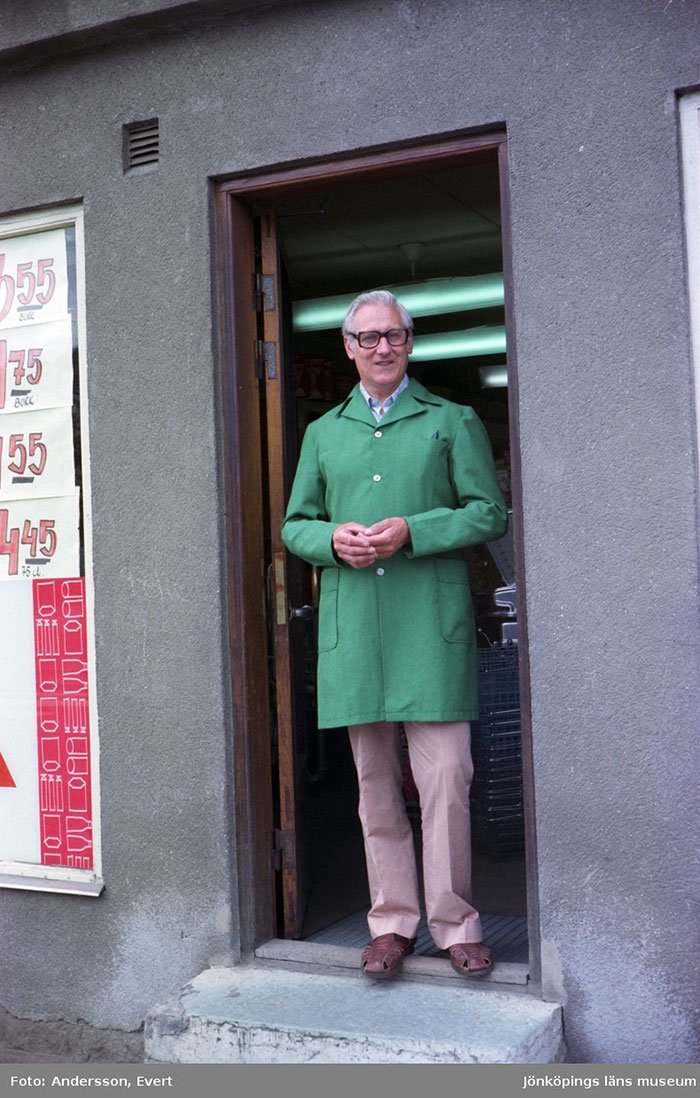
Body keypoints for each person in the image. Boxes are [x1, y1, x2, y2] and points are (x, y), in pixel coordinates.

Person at [282, 290, 508, 980]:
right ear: (348, 347)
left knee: (446, 781)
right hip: (357, 630)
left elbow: (488, 512)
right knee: (375, 787)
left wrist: (415, 530)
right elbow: (295, 524)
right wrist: (329, 539)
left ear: (411, 343)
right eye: (369, 337)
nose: (383, 347)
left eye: (396, 336)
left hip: (428, 631)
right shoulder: (325, 432)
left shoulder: (451, 419)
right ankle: (392, 923)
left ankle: (457, 921)